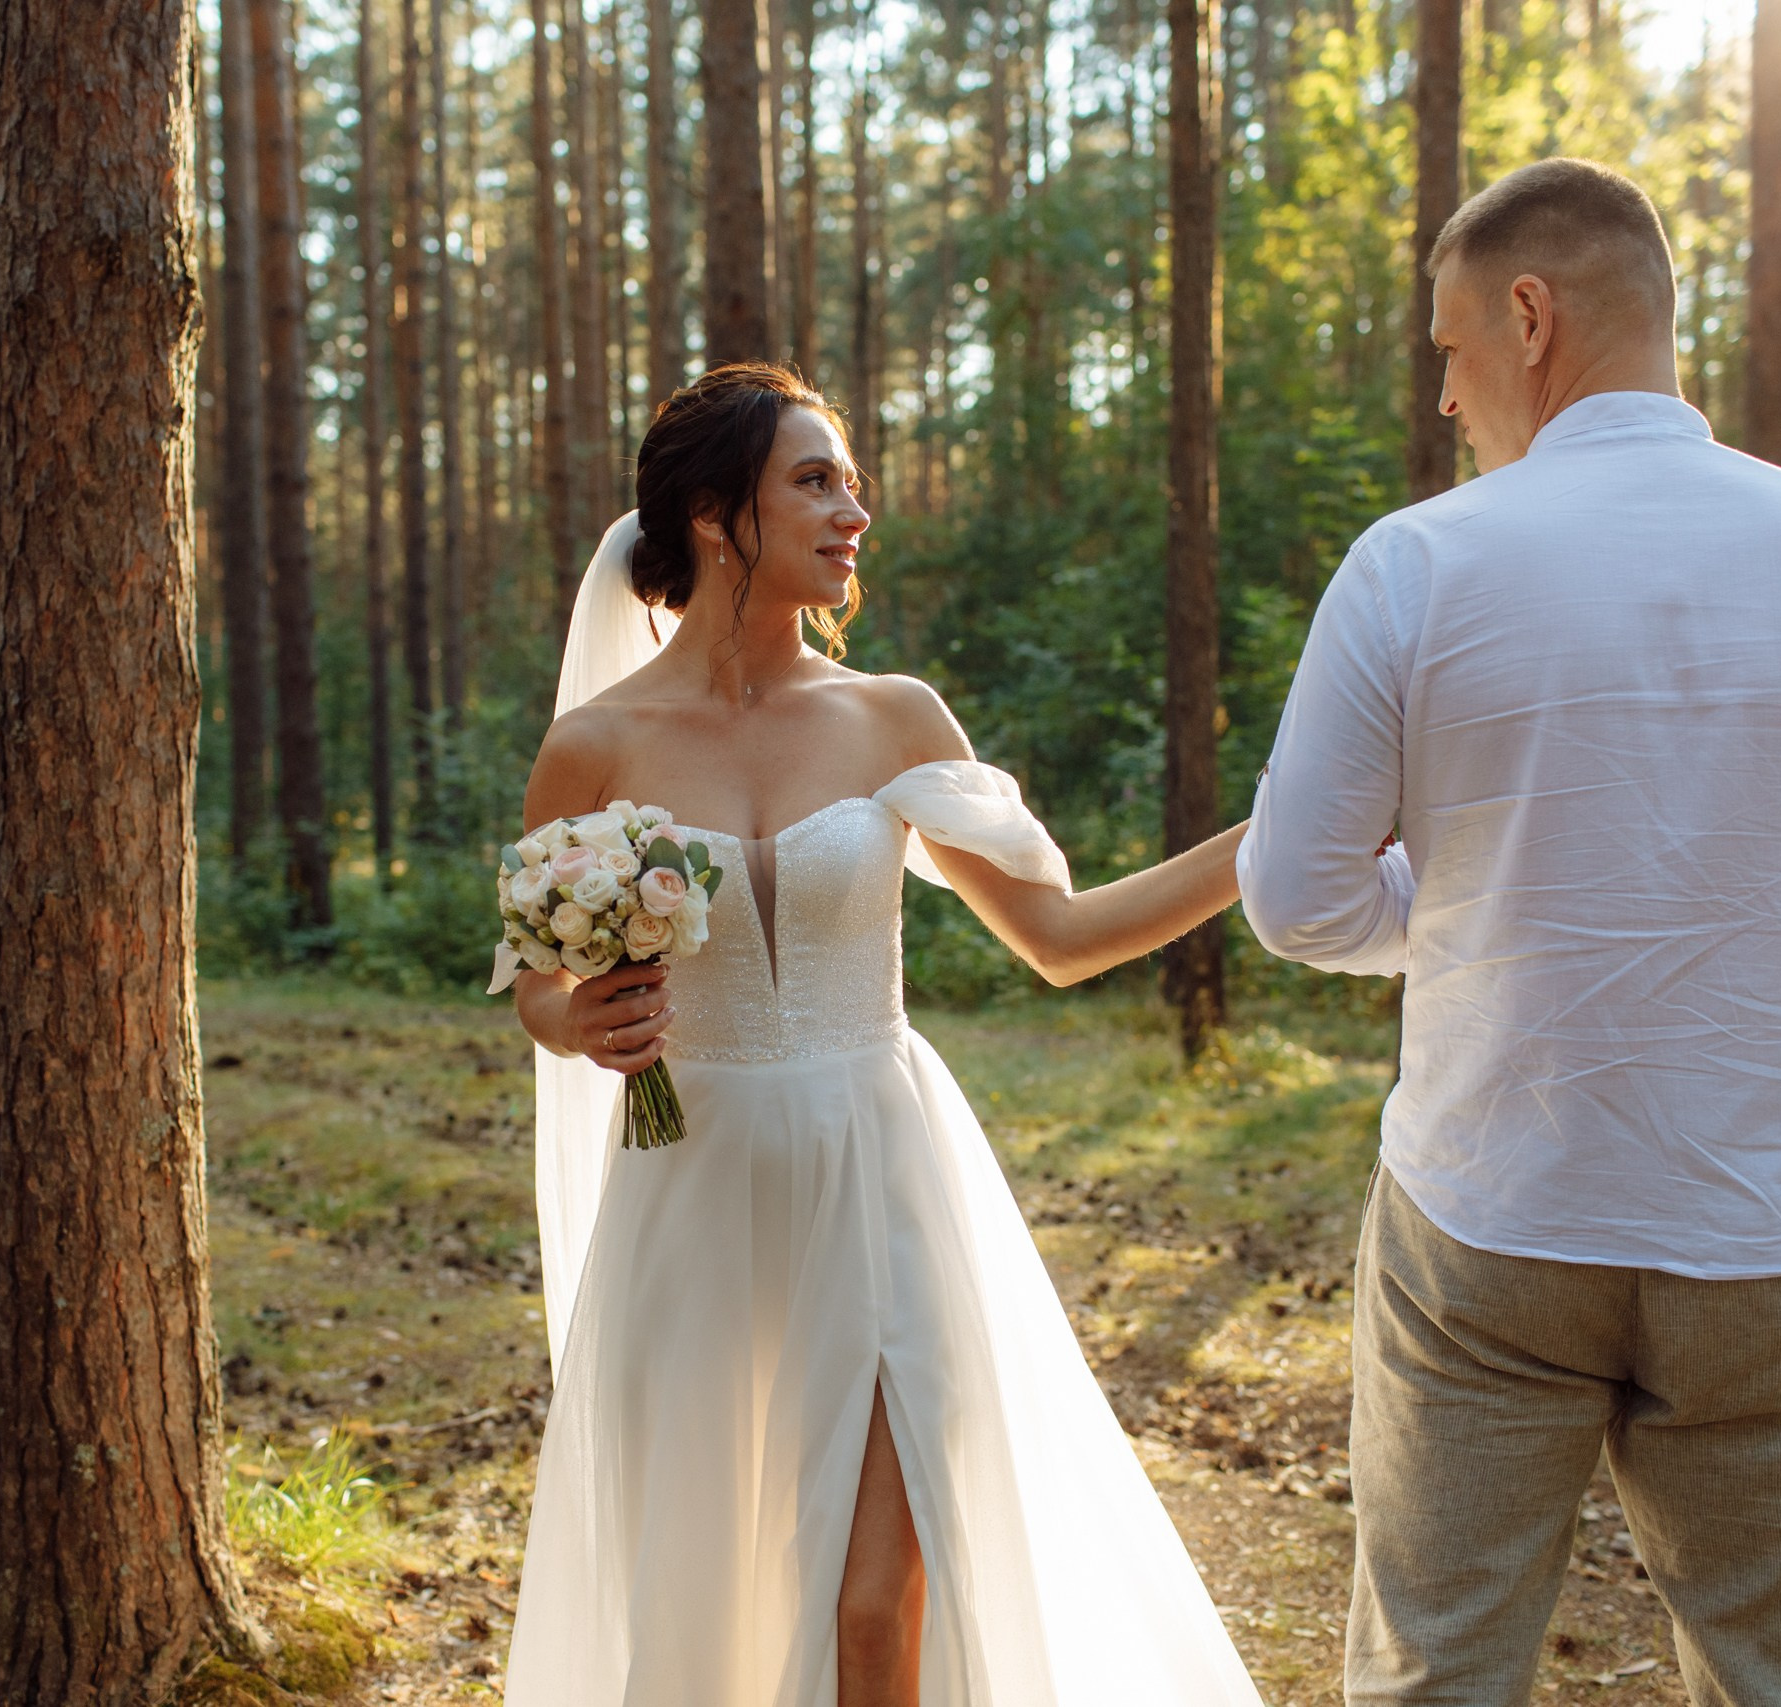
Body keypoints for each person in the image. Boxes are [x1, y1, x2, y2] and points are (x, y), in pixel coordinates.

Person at [1235, 157, 1781, 1707]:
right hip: (1766, 1232)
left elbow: (1297, 901)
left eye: (1453, 351)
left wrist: (1464, 915)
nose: (1448, 401)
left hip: (1488, 1222)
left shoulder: (1415, 562)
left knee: (1434, 1671)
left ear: (1530, 317)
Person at [500, 363, 1263, 1706]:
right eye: (816, 481)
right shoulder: (594, 746)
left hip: (880, 1170)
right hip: (693, 1191)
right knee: (704, 1594)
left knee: (875, 1603)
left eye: (851, 483)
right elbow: (540, 991)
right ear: (715, 515)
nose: (855, 511)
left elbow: (1061, 937)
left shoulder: (894, 717)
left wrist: (1282, 836)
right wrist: (583, 1023)